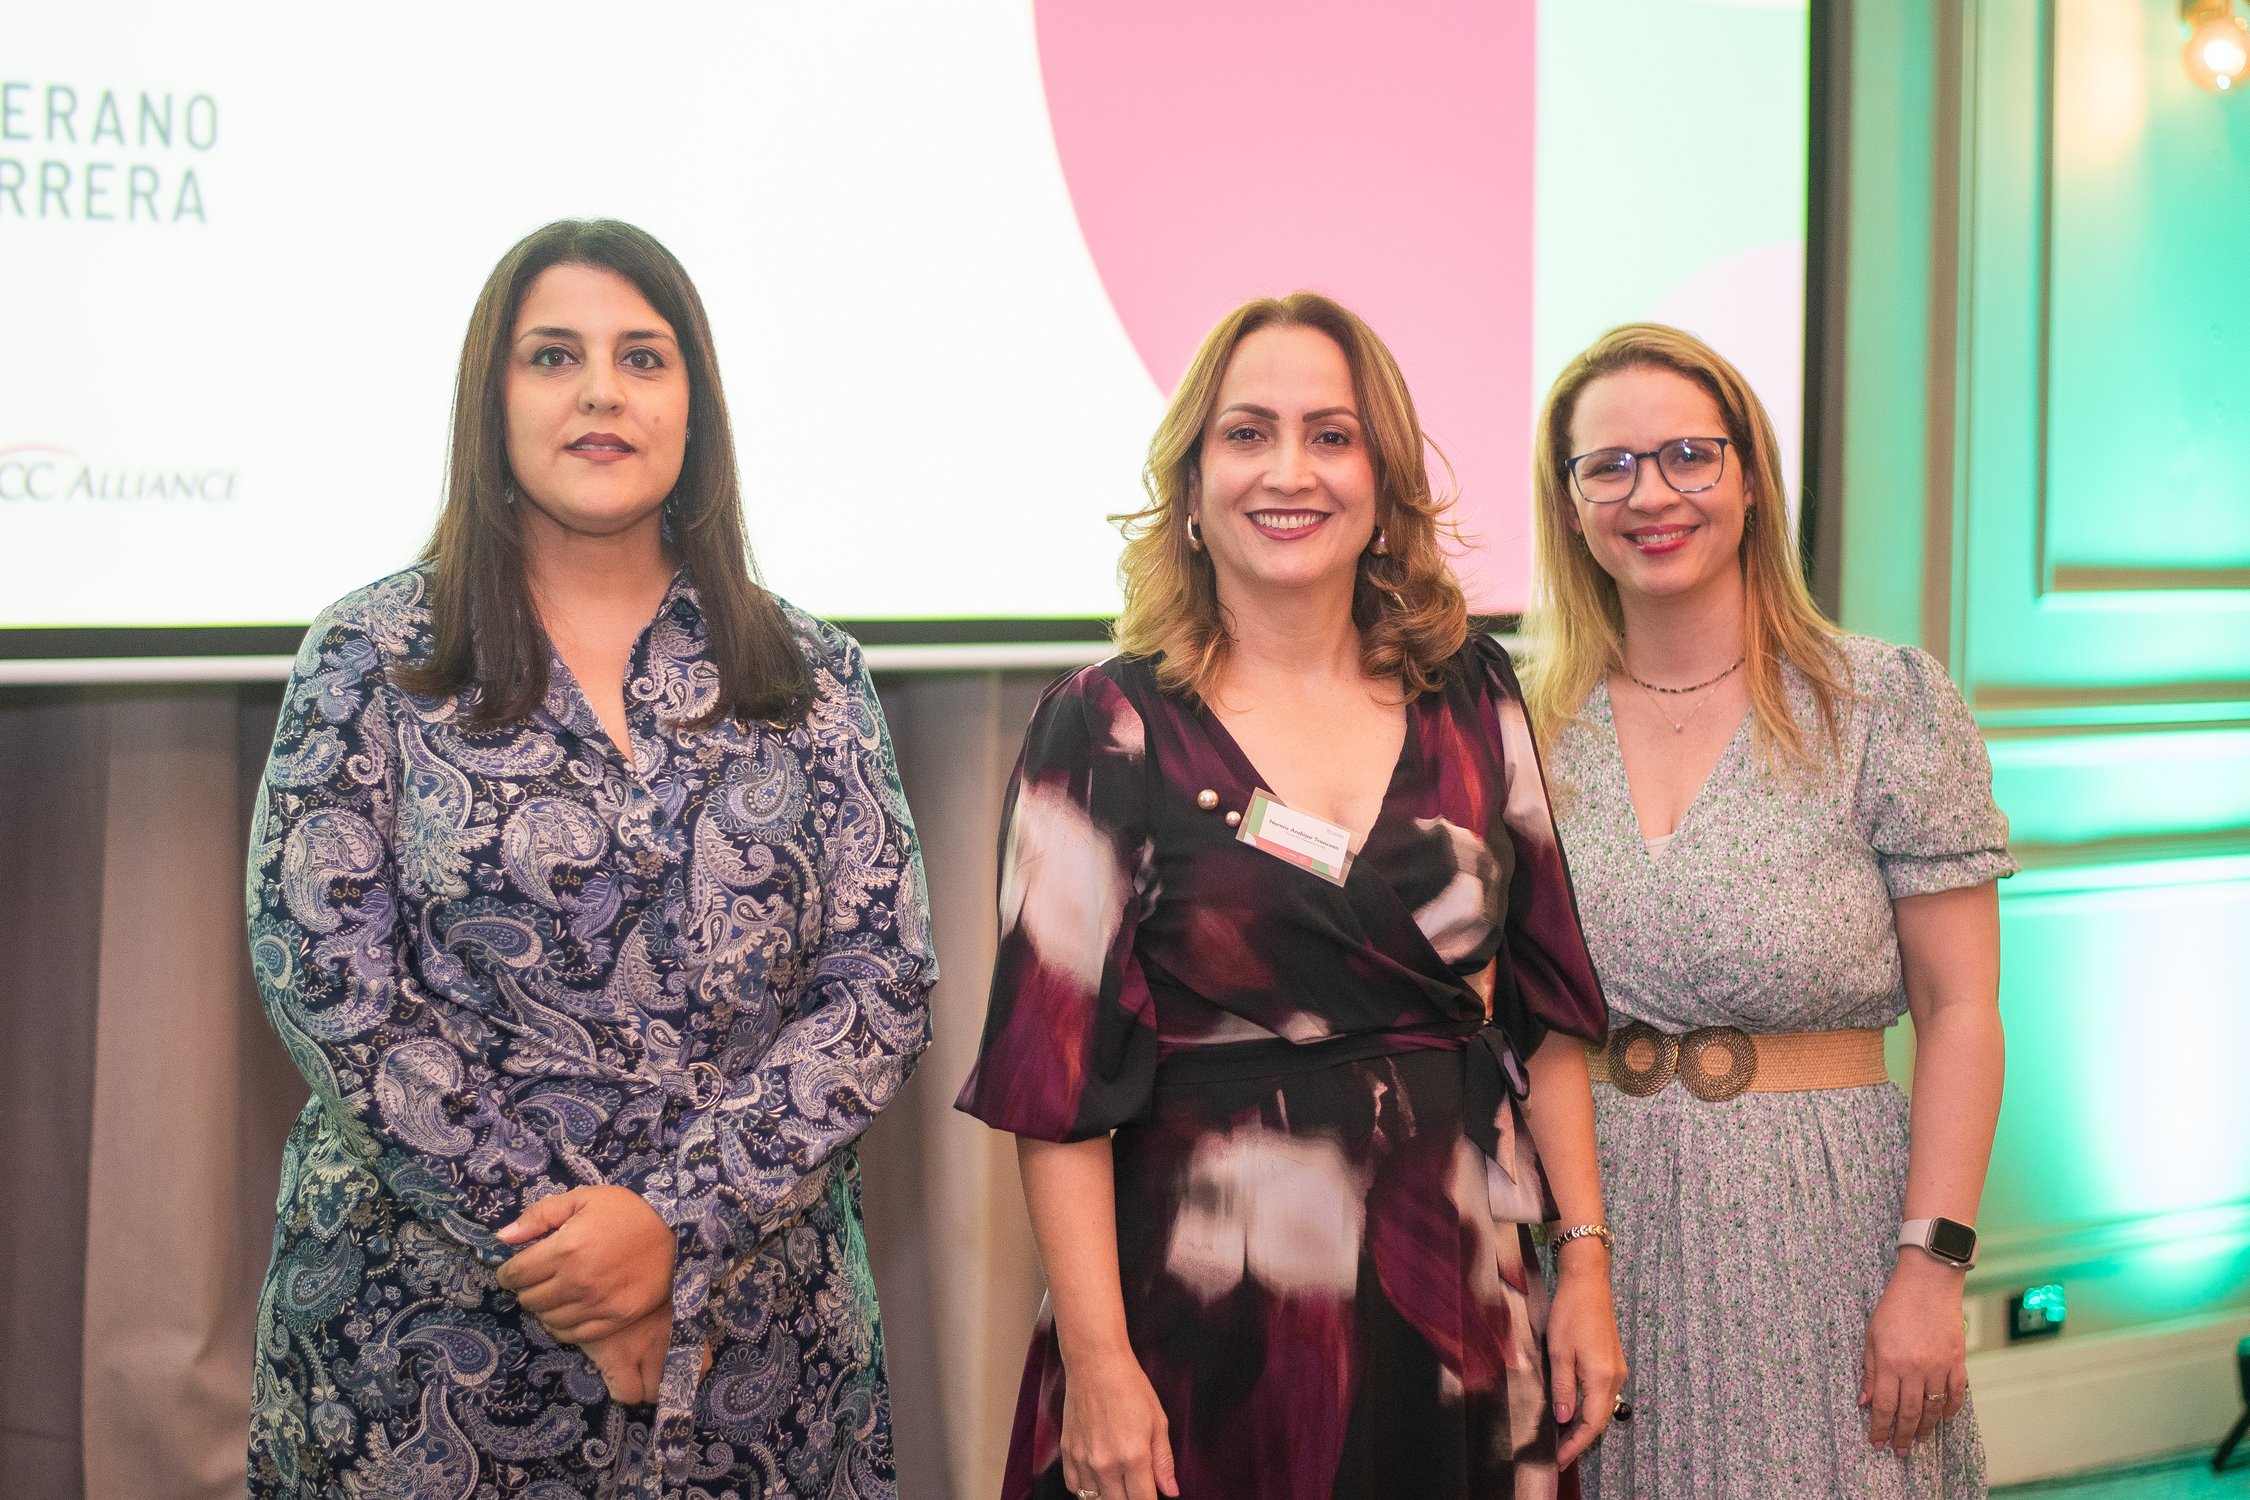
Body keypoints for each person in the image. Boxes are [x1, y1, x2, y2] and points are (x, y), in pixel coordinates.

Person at [244, 219, 935, 1499]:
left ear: (695, 406)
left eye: (644, 358)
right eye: (554, 356)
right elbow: (330, 984)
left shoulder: (812, 671)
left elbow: (881, 985)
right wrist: (581, 1264)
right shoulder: (371, 655)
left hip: (761, 1345)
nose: (602, 392)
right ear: (492, 399)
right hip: (427, 1343)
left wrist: (673, 1228)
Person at [956, 292, 1626, 1500]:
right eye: (1247, 433)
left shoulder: (1473, 693)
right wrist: (1098, 1364)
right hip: (1207, 1324)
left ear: (1383, 483)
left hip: (1459, 1310)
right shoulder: (1104, 727)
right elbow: (1052, 1096)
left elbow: (1544, 1012)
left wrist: (1582, 1263)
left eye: (1331, 435)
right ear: (1192, 486)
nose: (1290, 471)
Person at [1522, 323, 2011, 1498]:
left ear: (1752, 480)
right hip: (1598, 1235)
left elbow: (1961, 1010)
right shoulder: (1528, 728)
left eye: (1690, 455)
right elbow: (1528, 1024)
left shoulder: (1880, 703)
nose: (1653, 494)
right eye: (1609, 466)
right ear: (1572, 506)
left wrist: (1932, 1268)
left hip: (1831, 1227)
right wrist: (1569, 1257)